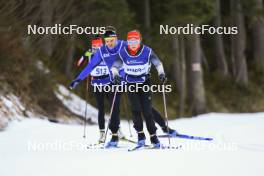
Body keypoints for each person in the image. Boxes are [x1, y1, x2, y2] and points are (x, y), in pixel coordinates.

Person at [111, 30, 169, 148]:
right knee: (136, 109)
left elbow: (158, 63)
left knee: (147, 110)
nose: (133, 43)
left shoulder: (147, 51)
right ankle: (140, 136)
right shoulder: (123, 53)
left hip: (144, 82)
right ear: (127, 42)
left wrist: (161, 74)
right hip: (131, 83)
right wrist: (116, 75)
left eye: (135, 40)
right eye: (130, 41)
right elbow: (114, 67)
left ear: (139, 40)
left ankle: (154, 137)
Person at [70, 26, 124, 148]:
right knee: (101, 109)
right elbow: (81, 62)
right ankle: (102, 133)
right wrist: (78, 77)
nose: (96, 48)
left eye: (98, 46)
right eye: (94, 46)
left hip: (109, 81)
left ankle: (117, 130)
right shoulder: (91, 52)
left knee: (113, 107)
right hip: (97, 83)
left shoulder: (106, 51)